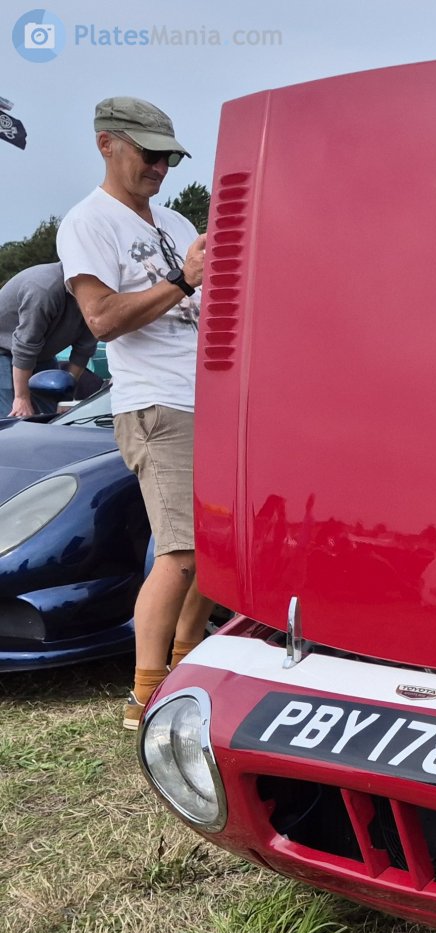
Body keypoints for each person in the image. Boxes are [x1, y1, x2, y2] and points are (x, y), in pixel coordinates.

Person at [56, 96, 212, 730]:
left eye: (168, 157)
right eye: (149, 154)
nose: (160, 167)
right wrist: (184, 280)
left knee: (216, 551)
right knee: (181, 554)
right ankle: (145, 696)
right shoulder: (87, 223)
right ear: (106, 144)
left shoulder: (175, 222)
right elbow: (101, 320)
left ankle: (186, 666)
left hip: (209, 403)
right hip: (156, 405)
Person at [0, 262, 99, 417]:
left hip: (42, 353)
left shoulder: (98, 293)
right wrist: (21, 397)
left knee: (51, 416)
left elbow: (84, 350)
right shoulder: (43, 289)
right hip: (5, 349)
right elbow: (25, 346)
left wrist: (66, 397)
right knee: (13, 416)